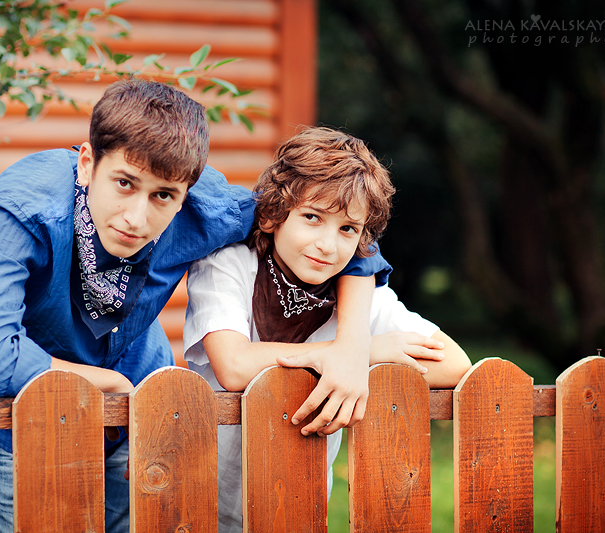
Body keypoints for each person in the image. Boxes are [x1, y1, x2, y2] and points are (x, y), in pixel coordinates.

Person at [0, 80, 390, 532]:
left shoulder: (206, 209)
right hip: (24, 420)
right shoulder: (20, 212)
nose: (136, 218)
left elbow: (350, 239)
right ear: (87, 163)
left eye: (162, 195)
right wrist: (108, 383)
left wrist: (350, 350)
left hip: (141, 412)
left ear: (186, 193)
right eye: (124, 183)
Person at [183, 126, 472, 532]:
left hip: (300, 505)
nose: (327, 245)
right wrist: (350, 353)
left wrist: (358, 353)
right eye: (312, 218)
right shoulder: (229, 264)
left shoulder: (356, 296)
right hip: (198, 496)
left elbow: (455, 364)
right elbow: (233, 365)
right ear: (272, 215)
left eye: (347, 229)